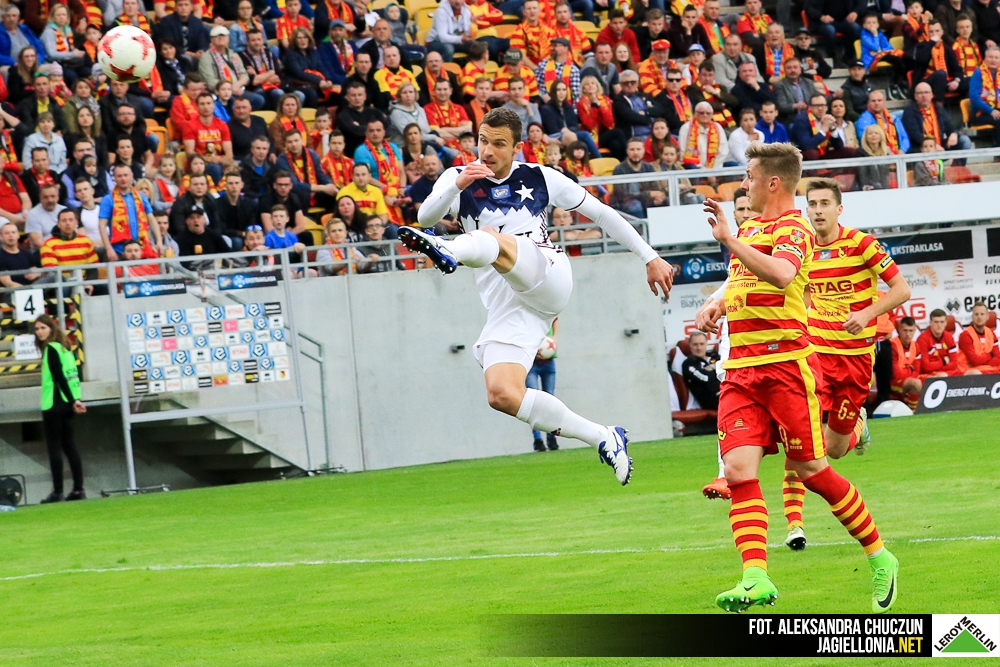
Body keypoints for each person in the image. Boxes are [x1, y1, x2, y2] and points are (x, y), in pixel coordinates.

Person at [400, 107, 674, 486]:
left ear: (517, 147)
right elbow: (425, 218)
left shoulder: (540, 176)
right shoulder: (459, 177)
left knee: (492, 239)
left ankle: (449, 249)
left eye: (498, 144)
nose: (487, 151)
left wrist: (650, 257)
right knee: (502, 393)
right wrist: (457, 184)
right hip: (511, 306)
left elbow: (602, 214)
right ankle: (602, 435)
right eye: (483, 141)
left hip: (548, 274)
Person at [696, 141, 898, 614]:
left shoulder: (794, 227)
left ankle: (880, 556)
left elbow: (783, 275)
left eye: (748, 177)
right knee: (738, 471)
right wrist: (717, 302)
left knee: (813, 470)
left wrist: (730, 240)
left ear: (772, 182)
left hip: (786, 367)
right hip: (741, 370)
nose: (742, 185)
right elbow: (744, 281)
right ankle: (755, 578)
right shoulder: (751, 227)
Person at [778, 178, 911, 549]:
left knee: (835, 449)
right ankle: (794, 523)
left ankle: (858, 426)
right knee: (800, 437)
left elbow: (902, 290)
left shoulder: (861, 243)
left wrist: (867, 313)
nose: (818, 210)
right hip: (816, 357)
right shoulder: (803, 247)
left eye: (825, 204)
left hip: (854, 362)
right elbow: (804, 294)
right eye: (813, 204)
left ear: (839, 209)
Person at [699, 187, 754, 501]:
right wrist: (714, 303)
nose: (745, 214)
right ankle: (724, 475)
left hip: (775, 335)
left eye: (749, 208)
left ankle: (850, 430)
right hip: (736, 333)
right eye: (740, 209)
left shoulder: (771, 236)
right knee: (728, 397)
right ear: (734, 213)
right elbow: (734, 281)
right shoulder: (733, 242)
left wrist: (713, 301)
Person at [34, 314, 87, 504]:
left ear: (51, 328)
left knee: (54, 447)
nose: (39, 332)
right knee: (69, 446)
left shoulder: (51, 349)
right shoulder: (65, 348)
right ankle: (78, 489)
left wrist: (73, 400)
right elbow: (73, 374)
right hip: (67, 403)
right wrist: (74, 400)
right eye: (37, 329)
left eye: (43, 328)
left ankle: (58, 492)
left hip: (54, 402)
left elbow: (58, 376)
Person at [100, 164, 161, 261]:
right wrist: (109, 249)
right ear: (114, 178)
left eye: (125, 175)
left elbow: (151, 219)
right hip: (118, 250)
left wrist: (159, 241)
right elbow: (102, 225)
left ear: (131, 176)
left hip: (140, 248)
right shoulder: (108, 199)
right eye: (119, 176)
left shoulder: (141, 197)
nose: (123, 179)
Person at [276, 128, 339, 209]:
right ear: (285, 144)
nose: (294, 144)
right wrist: (322, 188)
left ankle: (330, 216)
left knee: (337, 192)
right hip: (295, 193)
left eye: (296, 140)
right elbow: (293, 185)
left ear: (302, 141)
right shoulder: (282, 159)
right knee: (303, 194)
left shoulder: (312, 154)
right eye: (290, 142)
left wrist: (330, 185)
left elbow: (322, 175)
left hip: (314, 190)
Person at [903, 81, 971, 155]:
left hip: (940, 145)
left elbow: (950, 127)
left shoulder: (938, 108)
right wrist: (932, 146)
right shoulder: (910, 110)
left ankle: (957, 163)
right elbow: (914, 135)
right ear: (915, 96)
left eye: (926, 92)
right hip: (921, 147)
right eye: (920, 93)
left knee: (964, 140)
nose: (924, 95)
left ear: (932, 95)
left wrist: (954, 134)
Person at [183, 92, 234, 184]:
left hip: (219, 162)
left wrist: (221, 160)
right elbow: (190, 153)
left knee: (239, 167)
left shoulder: (222, 125)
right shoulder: (190, 125)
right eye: (202, 104)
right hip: (199, 164)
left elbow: (229, 154)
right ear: (197, 107)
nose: (206, 107)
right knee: (215, 168)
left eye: (208, 103)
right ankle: (218, 191)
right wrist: (210, 159)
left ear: (214, 105)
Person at [609, 137, 667, 216]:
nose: (635, 153)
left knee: (665, 201)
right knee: (636, 205)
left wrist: (658, 198)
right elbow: (623, 196)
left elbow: (657, 189)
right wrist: (648, 194)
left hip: (646, 202)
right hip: (623, 205)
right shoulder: (619, 169)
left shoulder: (649, 167)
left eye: (638, 149)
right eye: (632, 150)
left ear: (644, 151)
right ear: (627, 151)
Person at [526, 320, 560, 452]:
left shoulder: (548, 312)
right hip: (532, 364)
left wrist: (554, 338)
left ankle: (551, 437)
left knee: (549, 401)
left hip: (549, 362)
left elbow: (555, 319)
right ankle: (538, 439)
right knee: (534, 401)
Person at [792, 94, 857, 160]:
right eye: (816, 106)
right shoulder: (802, 120)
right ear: (810, 107)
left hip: (824, 153)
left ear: (826, 107)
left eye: (822, 105)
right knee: (813, 154)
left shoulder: (827, 118)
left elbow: (839, 146)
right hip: (805, 154)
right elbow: (807, 146)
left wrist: (833, 129)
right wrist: (823, 130)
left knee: (850, 151)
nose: (820, 108)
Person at [577, 74, 625, 160]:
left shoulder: (606, 100)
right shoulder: (581, 104)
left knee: (615, 144)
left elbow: (609, 122)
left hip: (605, 132)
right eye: (587, 84)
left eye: (593, 83)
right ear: (583, 89)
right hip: (592, 136)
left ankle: (619, 165)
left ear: (597, 86)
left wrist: (599, 106)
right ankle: (627, 157)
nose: (590, 86)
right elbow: (589, 125)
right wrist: (594, 106)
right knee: (618, 132)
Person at [859, 14, 907, 100]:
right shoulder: (864, 36)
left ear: (878, 25)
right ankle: (894, 84)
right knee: (895, 60)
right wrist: (875, 34)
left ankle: (899, 82)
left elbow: (889, 47)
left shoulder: (880, 33)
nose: (872, 25)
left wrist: (881, 51)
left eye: (874, 22)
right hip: (870, 58)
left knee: (899, 59)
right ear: (864, 25)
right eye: (869, 23)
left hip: (881, 54)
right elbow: (875, 46)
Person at [239, 29, 287, 110]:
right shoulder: (242, 56)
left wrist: (260, 77)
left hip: (273, 86)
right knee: (276, 93)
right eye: (253, 40)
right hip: (255, 90)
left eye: (259, 39)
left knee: (283, 93)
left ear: (262, 40)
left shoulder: (268, 53)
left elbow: (278, 76)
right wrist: (270, 73)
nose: (257, 43)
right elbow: (252, 81)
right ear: (247, 42)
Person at [40, 207, 98, 272]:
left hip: (84, 278)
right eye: (64, 220)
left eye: (71, 220)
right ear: (58, 224)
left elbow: (93, 267)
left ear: (76, 222)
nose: (68, 223)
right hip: (60, 278)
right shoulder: (48, 245)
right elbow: (51, 272)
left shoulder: (86, 241)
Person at [612, 69, 664, 140]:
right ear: (621, 85)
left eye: (633, 82)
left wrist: (646, 112)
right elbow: (631, 117)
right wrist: (650, 119)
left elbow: (660, 109)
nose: (629, 85)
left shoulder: (645, 95)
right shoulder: (618, 100)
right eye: (626, 83)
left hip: (654, 134)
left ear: (637, 83)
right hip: (635, 137)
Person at [177, 205, 231, 269]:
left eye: (198, 217)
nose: (195, 220)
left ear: (204, 219)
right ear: (187, 221)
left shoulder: (213, 234)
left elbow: (227, 254)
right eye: (192, 218)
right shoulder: (181, 239)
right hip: (194, 272)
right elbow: (185, 264)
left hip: (216, 269)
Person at [678, 101, 730, 168]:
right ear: (695, 114)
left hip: (715, 167)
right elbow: (682, 151)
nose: (705, 115)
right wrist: (702, 169)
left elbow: (723, 151)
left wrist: (713, 169)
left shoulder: (718, 127)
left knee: (733, 165)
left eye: (708, 113)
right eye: (701, 113)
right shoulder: (686, 128)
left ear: (712, 115)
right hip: (694, 167)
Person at [509, 0, 557, 70]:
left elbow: (555, 52)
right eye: (529, 9)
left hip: (549, 68)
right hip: (528, 70)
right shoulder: (518, 32)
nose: (532, 11)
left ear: (540, 11)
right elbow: (521, 56)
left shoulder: (549, 31)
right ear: (524, 12)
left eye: (534, 8)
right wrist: (537, 70)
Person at [967, 46, 1000, 147]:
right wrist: (990, 110)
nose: (993, 60)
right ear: (985, 58)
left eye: (996, 57)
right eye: (990, 57)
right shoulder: (978, 73)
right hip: (980, 113)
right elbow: (974, 96)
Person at [773, 58, 819, 127]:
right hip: (792, 121)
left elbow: (818, 97)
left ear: (800, 70)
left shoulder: (808, 82)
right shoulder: (780, 85)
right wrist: (795, 106)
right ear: (784, 71)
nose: (792, 70)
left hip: (811, 118)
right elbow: (781, 106)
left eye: (795, 67)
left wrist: (833, 96)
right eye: (789, 68)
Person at [916, 309, 962, 376]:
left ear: (946, 323)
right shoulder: (923, 339)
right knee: (942, 375)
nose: (939, 325)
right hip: (929, 375)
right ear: (930, 323)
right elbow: (925, 367)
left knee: (971, 373)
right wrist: (943, 362)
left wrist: (937, 367)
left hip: (947, 372)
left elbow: (954, 364)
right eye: (936, 322)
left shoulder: (949, 337)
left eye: (942, 322)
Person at [957, 302, 1000, 373]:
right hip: (970, 371)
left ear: (987, 316)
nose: (979, 317)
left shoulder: (991, 333)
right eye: (976, 314)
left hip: (989, 368)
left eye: (982, 314)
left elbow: (998, 357)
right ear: (972, 317)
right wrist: (990, 355)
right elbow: (974, 361)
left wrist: (986, 363)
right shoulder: (965, 335)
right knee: (976, 372)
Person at [681, 331, 720, 410]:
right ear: (690, 345)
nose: (699, 348)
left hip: (726, 392)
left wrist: (711, 368)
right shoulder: (689, 363)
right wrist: (717, 368)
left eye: (702, 344)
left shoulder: (714, 356)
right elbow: (706, 378)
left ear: (706, 344)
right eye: (695, 344)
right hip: (712, 400)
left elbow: (728, 371)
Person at [890, 316, 922, 410]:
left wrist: (907, 370)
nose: (908, 334)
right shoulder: (892, 345)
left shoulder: (915, 345)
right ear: (899, 330)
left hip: (908, 379)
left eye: (911, 331)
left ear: (915, 330)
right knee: (915, 383)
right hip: (893, 382)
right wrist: (910, 368)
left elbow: (917, 370)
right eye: (905, 330)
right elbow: (896, 374)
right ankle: (913, 412)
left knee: (933, 379)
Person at [26, 184, 67, 250]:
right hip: (45, 251)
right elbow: (37, 242)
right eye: (46, 197)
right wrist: (57, 251)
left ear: (58, 197)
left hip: (66, 248)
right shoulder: (33, 214)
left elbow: (75, 232)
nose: (50, 200)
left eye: (52, 196)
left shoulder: (65, 210)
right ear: (40, 198)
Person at [857, 124, 893, 189]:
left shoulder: (887, 151)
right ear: (866, 137)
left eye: (876, 133)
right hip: (868, 187)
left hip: (886, 187)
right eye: (870, 133)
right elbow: (861, 174)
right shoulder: (860, 153)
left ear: (881, 136)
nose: (873, 135)